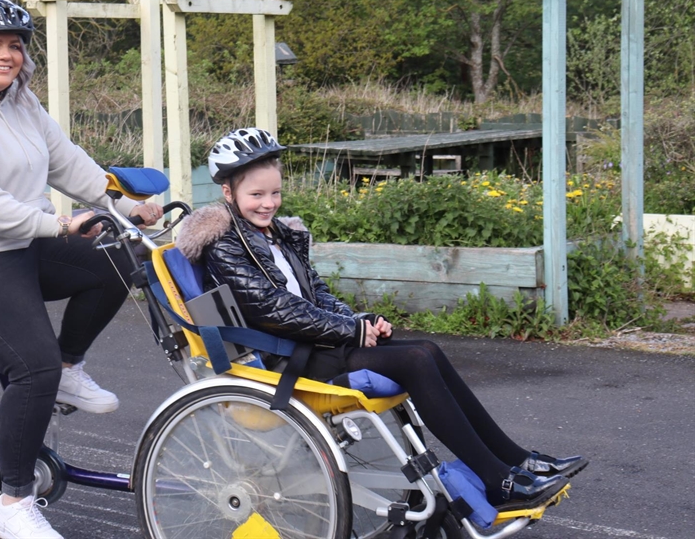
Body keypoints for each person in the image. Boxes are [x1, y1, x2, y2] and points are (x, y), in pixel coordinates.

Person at [175, 127, 587, 509]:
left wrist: (362, 320)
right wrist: (350, 330)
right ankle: (498, 479)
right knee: (415, 359)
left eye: (275, 193)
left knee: (428, 349)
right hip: (285, 357)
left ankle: (517, 462)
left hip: (315, 341)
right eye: (256, 195)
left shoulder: (278, 234)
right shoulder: (226, 245)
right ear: (228, 192)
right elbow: (272, 310)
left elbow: (316, 293)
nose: (268, 204)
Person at [0, 0, 163, 539]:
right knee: (30, 365)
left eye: (14, 46)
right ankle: (14, 503)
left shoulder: (22, 102)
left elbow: (68, 162)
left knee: (119, 258)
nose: (5, 56)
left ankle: (69, 369)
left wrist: (124, 205)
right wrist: (59, 226)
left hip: (22, 242)